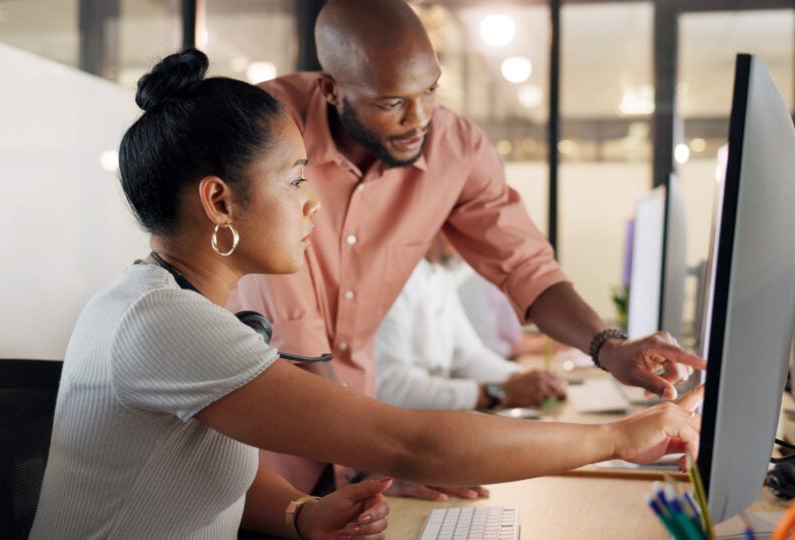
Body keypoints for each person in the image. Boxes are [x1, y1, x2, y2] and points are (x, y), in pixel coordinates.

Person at [29, 49, 704, 539]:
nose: (312, 206)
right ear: (219, 201)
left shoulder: (176, 306)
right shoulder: (165, 325)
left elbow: (210, 462)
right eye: (296, 180)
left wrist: (300, 514)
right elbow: (412, 444)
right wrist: (622, 435)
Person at [227, 0, 705, 498]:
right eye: (391, 103)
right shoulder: (268, 130)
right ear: (331, 90)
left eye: (429, 91)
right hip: (260, 453)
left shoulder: (454, 145)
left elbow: (525, 266)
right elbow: (296, 332)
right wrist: (373, 458)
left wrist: (610, 347)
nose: (420, 120)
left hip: (359, 435)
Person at [375, 234, 566, 410]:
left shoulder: (440, 276)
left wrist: (523, 378)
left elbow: (470, 356)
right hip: (402, 424)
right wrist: (497, 391)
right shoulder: (393, 279)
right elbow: (390, 387)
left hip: (432, 416)